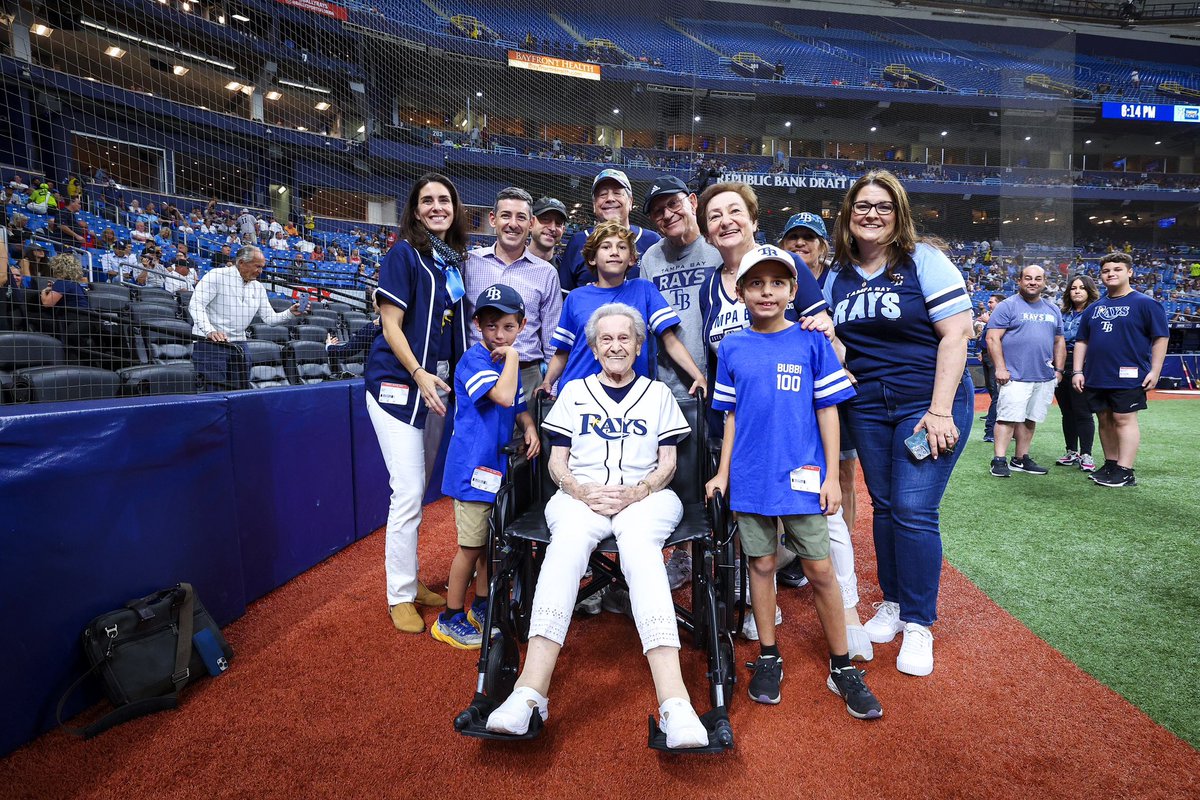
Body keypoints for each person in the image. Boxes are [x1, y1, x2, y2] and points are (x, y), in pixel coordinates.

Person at [485, 303, 710, 749]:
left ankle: (675, 702)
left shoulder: (659, 393)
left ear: (639, 345)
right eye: (606, 339)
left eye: (624, 338)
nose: (615, 346)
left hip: (646, 496)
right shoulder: (574, 392)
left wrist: (639, 491)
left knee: (640, 550)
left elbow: (668, 463)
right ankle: (529, 693)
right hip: (579, 495)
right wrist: (579, 489)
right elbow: (556, 462)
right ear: (593, 346)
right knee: (565, 544)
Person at [705, 245, 880, 718]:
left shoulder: (812, 342)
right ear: (740, 292)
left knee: (820, 569)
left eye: (777, 283)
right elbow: (732, 418)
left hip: (803, 479)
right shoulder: (733, 348)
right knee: (760, 566)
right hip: (750, 476)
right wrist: (722, 473)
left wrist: (831, 478)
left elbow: (828, 411)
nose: (767, 292)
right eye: (756, 284)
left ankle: (841, 664)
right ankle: (768, 654)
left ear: (793, 290)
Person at [821, 169, 974, 677]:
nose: (871, 214)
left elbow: (955, 336)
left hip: (925, 400)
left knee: (913, 508)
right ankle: (891, 601)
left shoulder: (923, 260)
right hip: (867, 403)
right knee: (884, 506)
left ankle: (919, 622)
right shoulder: (836, 274)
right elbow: (844, 347)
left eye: (883, 206)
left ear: (899, 214)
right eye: (862, 205)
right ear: (848, 215)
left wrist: (939, 410)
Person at [696, 182, 831, 640]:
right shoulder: (712, 286)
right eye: (714, 215)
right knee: (754, 543)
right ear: (707, 231)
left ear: (754, 219)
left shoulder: (786, 266)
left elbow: (824, 333)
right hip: (740, 428)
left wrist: (835, 357)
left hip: (797, 432)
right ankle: (757, 608)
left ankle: (844, 616)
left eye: (735, 211)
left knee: (817, 543)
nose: (725, 221)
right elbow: (721, 362)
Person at [365, 172, 470, 633]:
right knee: (406, 492)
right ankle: (399, 594)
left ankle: (410, 580)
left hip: (433, 391)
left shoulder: (449, 261)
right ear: (414, 208)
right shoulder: (403, 253)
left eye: (443, 200)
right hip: (396, 386)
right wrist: (418, 372)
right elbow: (391, 325)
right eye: (427, 200)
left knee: (419, 493)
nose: (436, 207)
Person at [777, 211, 871, 660]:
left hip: (828, 400)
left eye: (808, 239)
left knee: (838, 485)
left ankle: (842, 594)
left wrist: (839, 361)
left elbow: (842, 343)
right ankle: (792, 563)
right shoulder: (773, 281)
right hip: (783, 409)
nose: (800, 245)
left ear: (821, 245)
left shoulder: (836, 281)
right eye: (792, 238)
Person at [432, 284, 540, 649]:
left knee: (490, 546)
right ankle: (450, 617)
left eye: (508, 327)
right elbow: (504, 395)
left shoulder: (503, 361)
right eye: (491, 326)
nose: (499, 335)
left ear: (522, 325)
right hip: (471, 469)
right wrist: (512, 358)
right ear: (478, 324)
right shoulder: (474, 359)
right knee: (470, 547)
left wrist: (529, 427)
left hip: (495, 469)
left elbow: (518, 405)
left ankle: (481, 605)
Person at [639, 175, 723, 590]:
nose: (667, 214)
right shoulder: (650, 258)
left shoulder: (716, 249)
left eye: (673, 204)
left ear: (692, 202)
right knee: (679, 472)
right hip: (667, 382)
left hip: (717, 380)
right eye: (658, 210)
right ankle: (684, 557)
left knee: (723, 470)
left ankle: (732, 562)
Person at [540, 221, 705, 397]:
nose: (614, 252)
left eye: (622, 247)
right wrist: (547, 382)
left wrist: (698, 376)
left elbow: (670, 340)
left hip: (633, 394)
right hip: (579, 393)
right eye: (605, 247)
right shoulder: (576, 297)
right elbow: (562, 352)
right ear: (592, 258)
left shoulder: (644, 289)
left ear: (632, 259)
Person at [1072, 252, 1169, 488]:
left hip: (1129, 374)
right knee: (1104, 419)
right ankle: (1111, 464)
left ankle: (1126, 471)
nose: (1111, 274)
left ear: (1129, 272)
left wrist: (1155, 371)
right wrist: (1077, 371)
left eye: (1117, 269)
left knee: (1123, 419)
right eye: (1106, 271)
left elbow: (1160, 337)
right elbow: (1082, 341)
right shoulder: (1094, 308)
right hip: (1097, 374)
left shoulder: (1146, 303)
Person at [463, 187, 561, 401]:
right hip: (477, 370)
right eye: (506, 215)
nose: (513, 224)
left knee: (527, 435)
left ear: (531, 223)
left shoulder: (547, 273)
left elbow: (552, 339)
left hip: (527, 375)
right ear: (493, 219)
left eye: (521, 217)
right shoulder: (468, 264)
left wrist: (551, 388)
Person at [985, 265, 1065, 478]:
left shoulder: (1052, 309)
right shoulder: (1008, 306)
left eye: (1038, 279)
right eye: (1028, 278)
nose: (1033, 282)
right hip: (1015, 375)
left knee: (1030, 419)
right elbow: (992, 338)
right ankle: (999, 460)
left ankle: (1021, 458)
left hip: (1043, 376)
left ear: (1044, 281)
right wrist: (1001, 368)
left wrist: (1059, 370)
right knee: (1006, 418)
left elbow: (1059, 341)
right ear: (1019, 281)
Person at [558, 169, 660, 294]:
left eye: (617, 193)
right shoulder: (578, 242)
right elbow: (564, 297)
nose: (610, 198)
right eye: (602, 194)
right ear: (594, 205)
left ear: (630, 202)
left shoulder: (652, 241)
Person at [189, 245, 301, 341]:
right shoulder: (217, 275)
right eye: (257, 266)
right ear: (242, 263)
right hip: (209, 341)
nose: (260, 272)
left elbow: (270, 319)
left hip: (239, 342)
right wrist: (209, 331)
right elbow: (195, 304)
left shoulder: (258, 287)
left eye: (262, 267)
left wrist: (290, 312)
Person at [1055, 275, 1100, 472]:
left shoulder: (1097, 312)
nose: (1077, 291)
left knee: (1083, 411)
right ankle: (1071, 451)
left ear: (1089, 291)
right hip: (1060, 363)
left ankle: (1087, 454)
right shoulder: (1061, 313)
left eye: (1082, 288)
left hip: (1084, 364)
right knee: (1067, 413)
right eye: (1073, 288)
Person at [977, 293, 1004, 443]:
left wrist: (989, 322)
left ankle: (991, 430)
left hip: (995, 357)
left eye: (991, 302)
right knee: (992, 390)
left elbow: (998, 338)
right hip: (987, 355)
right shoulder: (994, 316)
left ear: (1000, 303)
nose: (989, 305)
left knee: (997, 394)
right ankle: (995, 421)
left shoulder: (1000, 316)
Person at [526, 196, 566, 265]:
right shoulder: (511, 262)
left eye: (558, 223)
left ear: (563, 230)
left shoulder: (564, 271)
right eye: (545, 219)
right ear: (531, 223)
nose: (552, 228)